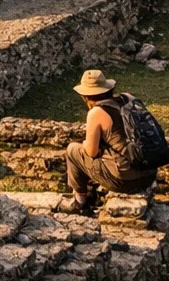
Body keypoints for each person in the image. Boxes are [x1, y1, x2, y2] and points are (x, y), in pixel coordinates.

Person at [60, 70, 158, 214]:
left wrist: (87, 143)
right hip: (150, 174)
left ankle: (80, 201)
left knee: (73, 150)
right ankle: (91, 192)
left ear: (85, 96)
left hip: (125, 182)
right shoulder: (128, 99)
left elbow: (91, 152)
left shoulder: (96, 112)